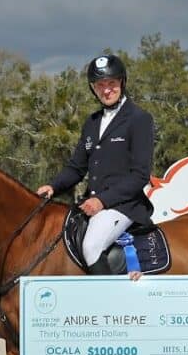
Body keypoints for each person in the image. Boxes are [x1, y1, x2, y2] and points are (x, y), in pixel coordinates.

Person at [36, 54, 155, 274]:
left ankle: (109, 297)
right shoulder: (92, 122)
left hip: (124, 206)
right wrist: (53, 186)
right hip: (91, 204)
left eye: (111, 83)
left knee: (91, 247)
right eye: (100, 85)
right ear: (93, 88)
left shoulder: (139, 119)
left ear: (122, 82)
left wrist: (102, 200)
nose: (106, 90)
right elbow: (76, 168)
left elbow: (140, 175)